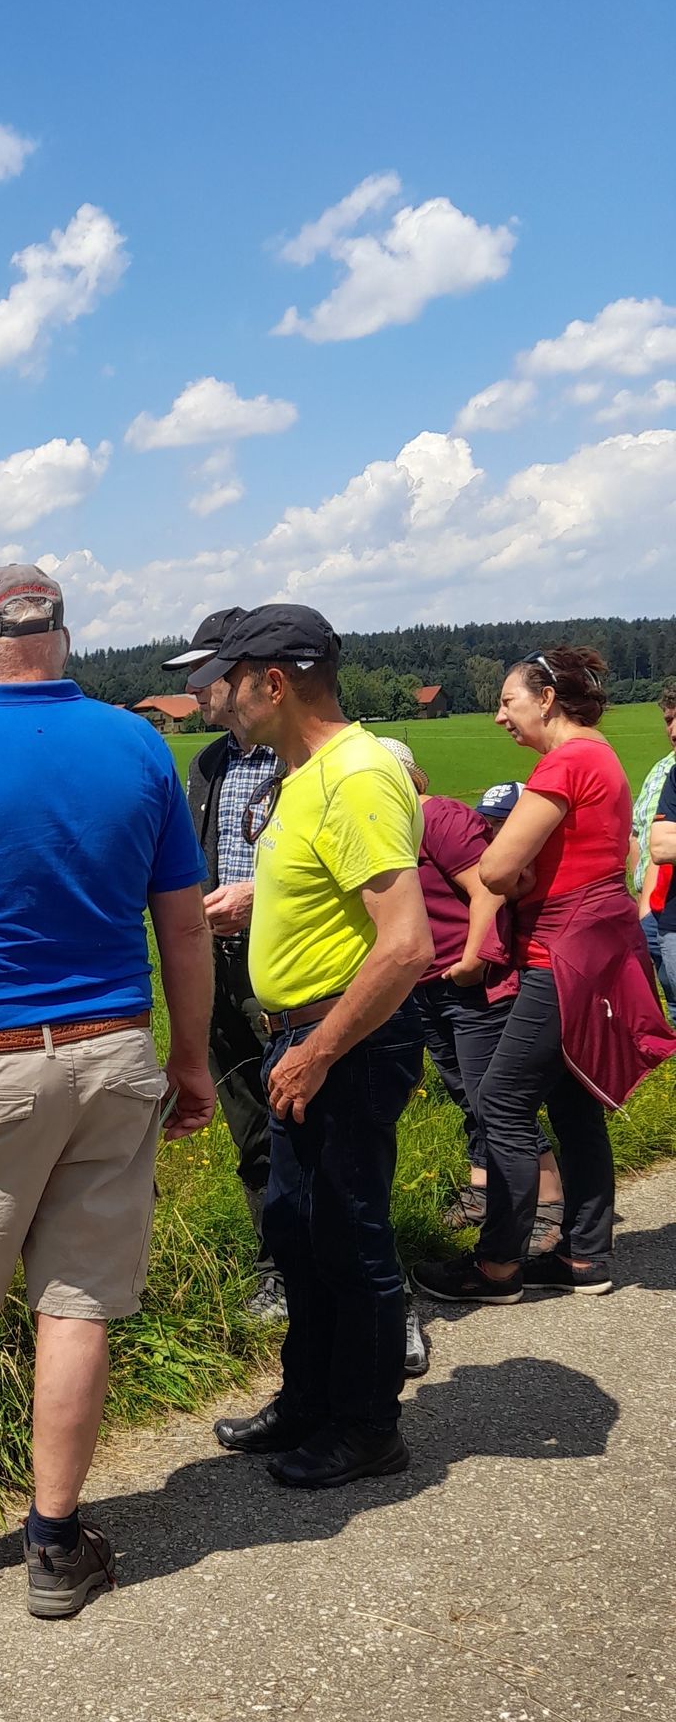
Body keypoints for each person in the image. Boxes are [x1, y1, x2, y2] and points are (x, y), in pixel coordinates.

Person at [0, 563, 215, 1619]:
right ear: (65, 641)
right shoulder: (136, 745)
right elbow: (185, 926)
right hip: (113, 1053)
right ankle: (57, 1543)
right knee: (78, 1302)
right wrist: (189, 1060)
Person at [195, 607, 434, 1489]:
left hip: (346, 1042)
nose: (216, 698)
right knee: (299, 1234)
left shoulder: (357, 775)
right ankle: (310, 1402)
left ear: (275, 680)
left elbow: (406, 944)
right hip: (307, 1038)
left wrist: (321, 1050)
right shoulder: (304, 776)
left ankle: (368, 1428)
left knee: (351, 1238)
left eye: (229, 679)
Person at [416, 647, 675, 1303]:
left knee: (500, 1100)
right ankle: (586, 1255)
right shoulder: (601, 756)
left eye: (508, 701)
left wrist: (518, 870)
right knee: (571, 1101)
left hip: (560, 952)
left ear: (547, 699)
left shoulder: (567, 761)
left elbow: (498, 872)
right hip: (592, 946)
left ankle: (498, 1265)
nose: (500, 715)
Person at [377, 742, 561, 1244]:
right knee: (466, 1094)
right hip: (427, 984)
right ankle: (485, 1190)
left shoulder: (436, 817)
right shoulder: (384, 833)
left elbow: (489, 886)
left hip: (471, 981)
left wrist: (474, 959)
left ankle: (547, 1207)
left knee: (493, 1099)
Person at [163, 607, 284, 1320]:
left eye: (206, 673)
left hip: (287, 963)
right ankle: (279, 1270)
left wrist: (259, 898)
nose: (197, 690)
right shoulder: (207, 764)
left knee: (323, 1131)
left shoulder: (301, 757)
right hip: (217, 965)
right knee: (250, 1125)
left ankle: (370, 1294)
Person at [627, 684, 676, 979]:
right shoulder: (661, 771)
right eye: (668, 719)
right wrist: (643, 902)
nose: (673, 731)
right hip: (656, 912)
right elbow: (638, 836)